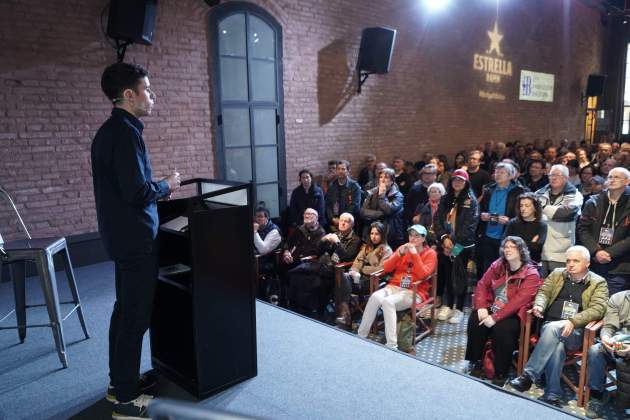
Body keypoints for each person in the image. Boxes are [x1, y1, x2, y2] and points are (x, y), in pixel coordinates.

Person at [92, 62, 181, 419]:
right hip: (136, 240)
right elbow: (137, 192)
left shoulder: (109, 131)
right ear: (129, 94)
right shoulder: (126, 133)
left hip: (122, 237)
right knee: (134, 318)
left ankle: (119, 385)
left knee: (123, 312)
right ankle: (127, 401)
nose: (152, 96)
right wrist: (167, 185)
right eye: (148, 90)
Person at [510, 246, 608, 407]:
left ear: (588, 263)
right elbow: (543, 293)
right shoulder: (557, 274)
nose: (570, 264)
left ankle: (529, 376)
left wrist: (573, 321)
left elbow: (599, 308)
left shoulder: (598, 282)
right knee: (556, 344)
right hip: (549, 325)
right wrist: (539, 306)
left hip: (575, 332)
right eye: (568, 260)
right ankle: (552, 394)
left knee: (553, 330)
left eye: (576, 261)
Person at [466, 236, 542, 386]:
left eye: (512, 247)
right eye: (505, 246)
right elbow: (482, 284)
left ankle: (501, 371)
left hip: (515, 313)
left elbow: (518, 301)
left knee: (503, 329)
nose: (507, 249)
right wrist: (481, 307)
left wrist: (494, 317)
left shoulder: (531, 274)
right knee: (476, 319)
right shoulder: (499, 264)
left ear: (521, 250)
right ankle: (476, 362)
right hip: (494, 305)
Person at [357, 225, 437, 349]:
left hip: (415, 291)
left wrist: (415, 255)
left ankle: (391, 345)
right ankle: (361, 336)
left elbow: (423, 275)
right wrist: (399, 254)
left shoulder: (430, 254)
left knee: (388, 302)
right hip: (395, 286)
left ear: (423, 238)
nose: (413, 238)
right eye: (411, 235)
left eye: (417, 236)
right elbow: (387, 268)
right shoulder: (403, 248)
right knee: (375, 297)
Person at [288, 212, 361, 318]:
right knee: (299, 276)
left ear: (352, 225)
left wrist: (337, 243)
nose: (343, 223)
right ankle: (300, 307)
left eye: (346, 221)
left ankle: (313, 310)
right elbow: (318, 252)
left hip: (338, 270)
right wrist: (323, 240)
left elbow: (347, 257)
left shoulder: (355, 239)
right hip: (325, 265)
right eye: (341, 220)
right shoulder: (335, 234)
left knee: (312, 277)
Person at [434, 169, 479, 324]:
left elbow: (470, 226)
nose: (457, 183)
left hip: (462, 245)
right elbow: (438, 220)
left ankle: (459, 308)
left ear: (466, 182)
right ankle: (447, 304)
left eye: (460, 180)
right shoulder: (446, 198)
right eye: (454, 180)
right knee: (446, 273)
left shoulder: (470, 200)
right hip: (445, 243)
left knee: (459, 275)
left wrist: (453, 243)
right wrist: (444, 238)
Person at [578, 167, 630, 296]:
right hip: (594, 262)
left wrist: (609, 253)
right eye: (610, 177)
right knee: (590, 303)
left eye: (617, 177)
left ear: (627, 181)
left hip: (620, 266)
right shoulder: (593, 201)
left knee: (611, 307)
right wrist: (596, 251)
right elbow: (583, 229)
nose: (612, 180)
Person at [335, 221, 393, 329]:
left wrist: (363, 269)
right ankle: (345, 315)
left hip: (373, 281)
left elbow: (382, 269)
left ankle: (344, 316)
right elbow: (357, 262)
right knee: (342, 277)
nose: (374, 237)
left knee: (343, 283)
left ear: (382, 235)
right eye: (372, 234)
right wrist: (354, 271)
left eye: (377, 234)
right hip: (358, 278)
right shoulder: (366, 247)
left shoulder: (387, 250)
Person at [477, 162, 527, 279]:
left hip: (507, 236)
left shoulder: (519, 191)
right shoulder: (489, 189)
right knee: (488, 269)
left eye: (502, 173)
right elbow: (479, 209)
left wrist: (510, 220)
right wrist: (482, 215)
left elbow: (524, 215)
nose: (497, 175)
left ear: (510, 176)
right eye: (496, 172)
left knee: (506, 269)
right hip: (487, 235)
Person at [585, 290, 630, 418]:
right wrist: (605, 337)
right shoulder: (618, 298)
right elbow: (609, 325)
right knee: (595, 351)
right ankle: (596, 396)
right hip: (619, 342)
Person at [535, 164, 583, 277]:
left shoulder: (576, 195)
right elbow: (531, 213)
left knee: (557, 288)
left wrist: (542, 209)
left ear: (566, 178)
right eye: (551, 175)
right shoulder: (538, 193)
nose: (553, 178)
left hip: (561, 251)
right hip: (539, 248)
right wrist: (552, 212)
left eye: (557, 175)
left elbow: (567, 213)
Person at [281, 208, 326, 306]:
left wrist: (301, 257)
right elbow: (288, 243)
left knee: (296, 273)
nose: (307, 216)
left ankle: (295, 303)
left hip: (308, 262)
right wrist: (286, 252)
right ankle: (282, 299)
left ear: (316, 218)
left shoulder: (321, 232)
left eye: (310, 214)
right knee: (280, 266)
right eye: (305, 214)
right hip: (293, 259)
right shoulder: (299, 229)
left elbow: (317, 252)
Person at [359, 168, 405, 250]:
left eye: (386, 177)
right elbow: (363, 212)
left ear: (392, 181)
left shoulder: (398, 196)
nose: (383, 180)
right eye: (381, 177)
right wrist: (381, 214)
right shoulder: (372, 192)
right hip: (373, 231)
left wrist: (382, 196)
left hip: (390, 234)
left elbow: (388, 210)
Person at [504, 192, 547, 264]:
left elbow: (537, 247)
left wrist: (515, 245)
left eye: (527, 206)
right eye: (521, 206)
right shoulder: (513, 223)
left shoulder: (541, 225)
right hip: (512, 263)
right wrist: (531, 243)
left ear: (535, 208)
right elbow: (505, 243)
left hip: (532, 264)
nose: (523, 209)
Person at [325, 160, 361, 231]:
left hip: (349, 221)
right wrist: (332, 218)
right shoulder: (332, 186)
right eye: (338, 169)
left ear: (348, 171)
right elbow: (328, 204)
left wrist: (342, 220)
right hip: (334, 221)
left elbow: (355, 206)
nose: (340, 171)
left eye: (343, 169)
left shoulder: (354, 186)